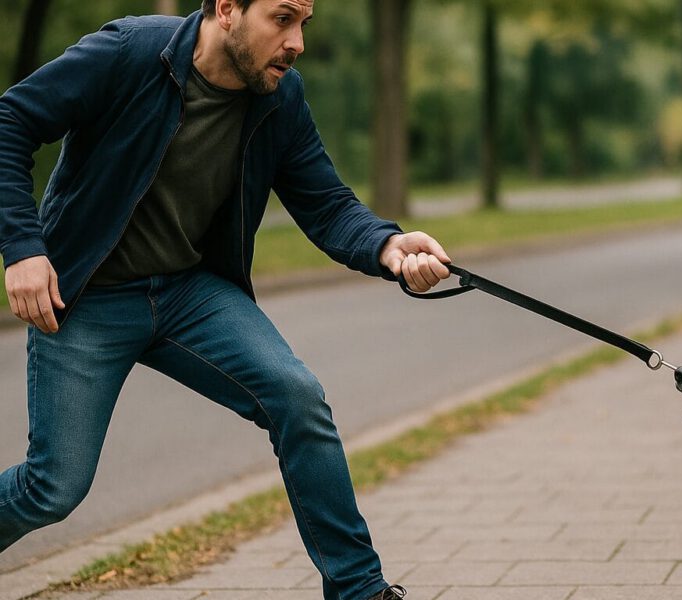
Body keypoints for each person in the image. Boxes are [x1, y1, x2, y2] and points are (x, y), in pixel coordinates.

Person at [0, 0, 450, 598]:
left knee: (297, 396)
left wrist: (389, 246)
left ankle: (360, 590)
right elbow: (10, 121)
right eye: (282, 19)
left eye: (304, 24)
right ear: (228, 9)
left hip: (190, 291)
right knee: (53, 488)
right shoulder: (130, 53)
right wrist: (24, 249)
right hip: (89, 295)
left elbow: (327, 202)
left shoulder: (280, 97)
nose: (297, 43)